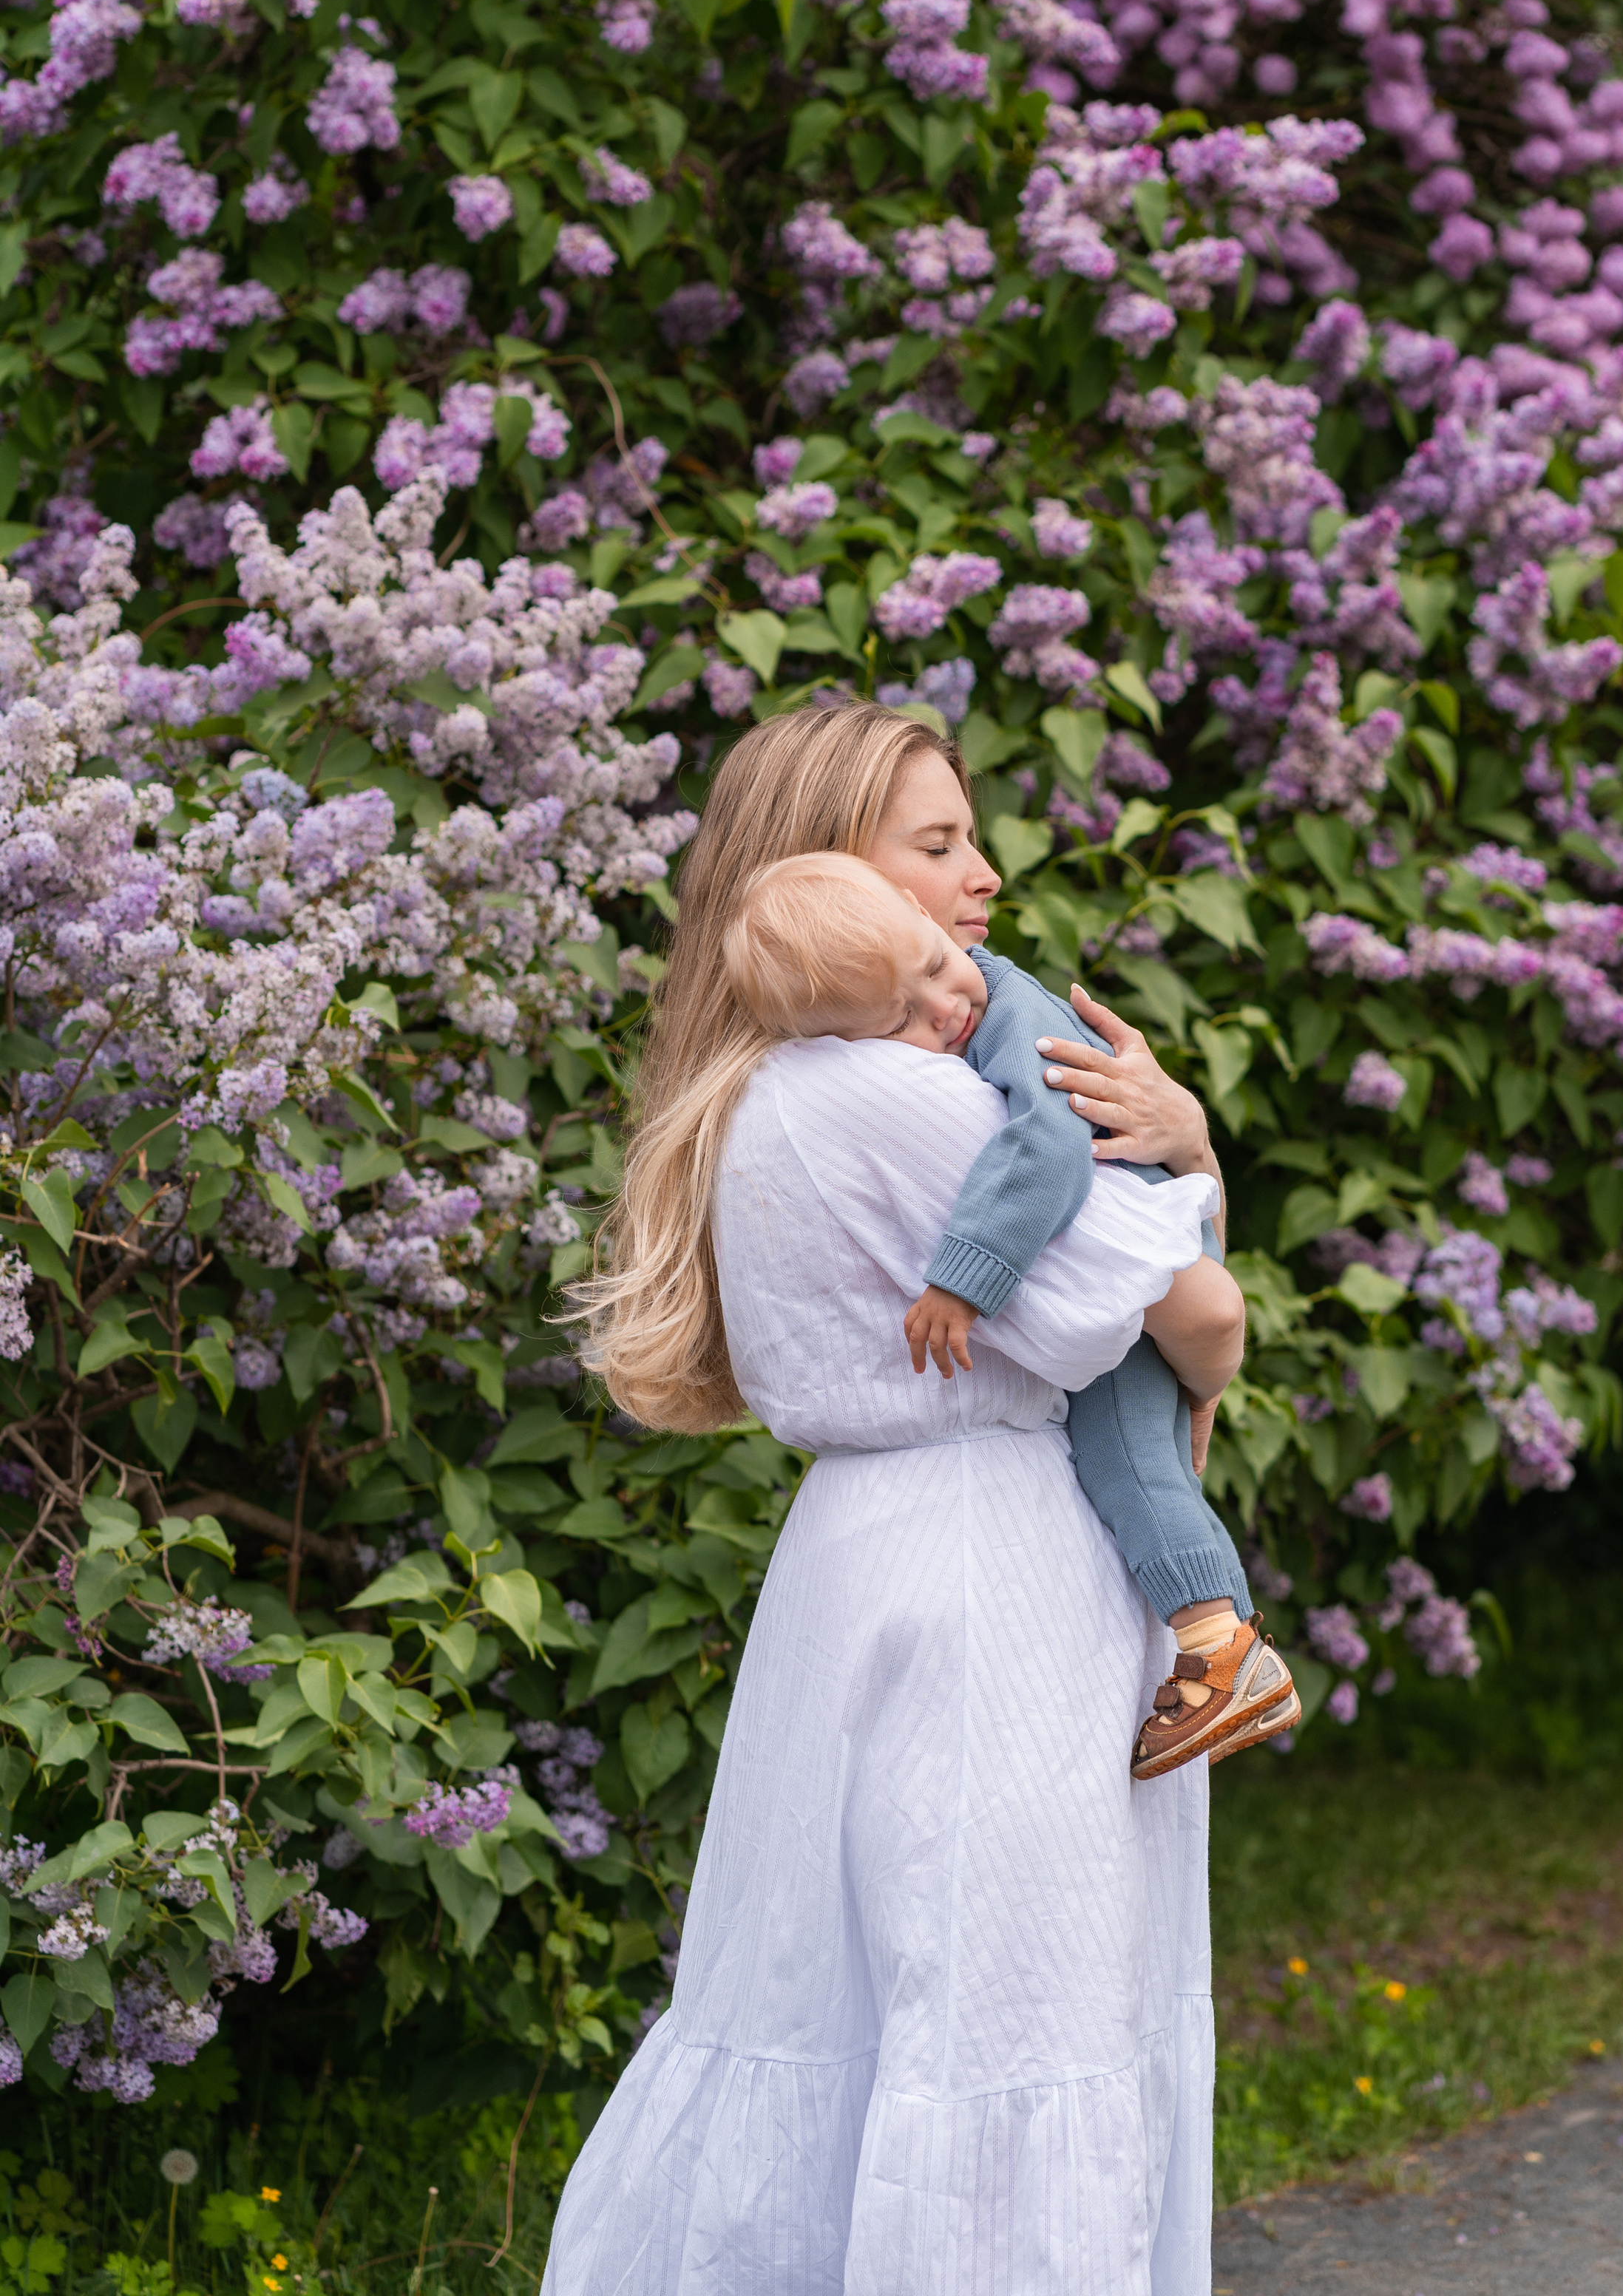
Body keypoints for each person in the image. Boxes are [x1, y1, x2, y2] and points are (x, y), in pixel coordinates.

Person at [549, 702, 1237, 2294]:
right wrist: (1189, 1162)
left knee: (830, 1990)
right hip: (994, 1571)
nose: (980, 880)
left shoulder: (775, 1097)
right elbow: (1181, 1316)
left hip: (867, 1562)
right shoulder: (903, 1099)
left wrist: (1177, 1191)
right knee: (1007, 1999)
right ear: (815, 874)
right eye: (933, 848)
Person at [721, 845, 1300, 1778]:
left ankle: (1220, 1648)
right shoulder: (924, 1028)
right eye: (900, 1024)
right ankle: (1219, 1644)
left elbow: (1048, 1151)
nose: (944, 1012)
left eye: (935, 974)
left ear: (918, 912)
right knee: (1144, 1466)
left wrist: (965, 1279)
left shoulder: (1012, 1009)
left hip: (1147, 1264)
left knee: (1130, 1468)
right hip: (1150, 1263)